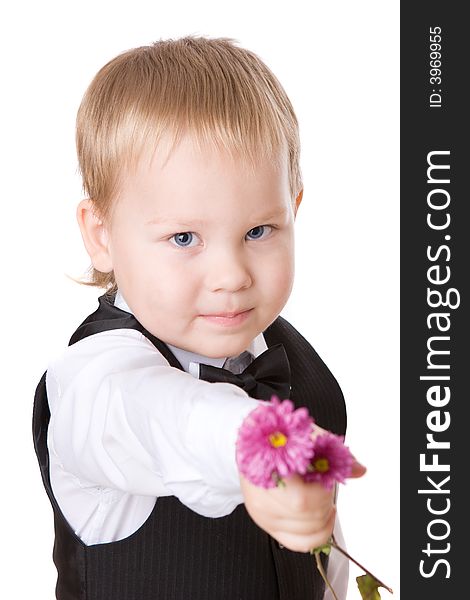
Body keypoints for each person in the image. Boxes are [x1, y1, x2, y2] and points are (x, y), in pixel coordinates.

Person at [33, 36, 365, 600]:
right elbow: (168, 420)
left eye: (258, 231)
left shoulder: (290, 361)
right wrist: (259, 447)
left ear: (295, 210)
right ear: (102, 236)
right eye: (184, 237)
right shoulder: (97, 383)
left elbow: (316, 561)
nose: (231, 273)